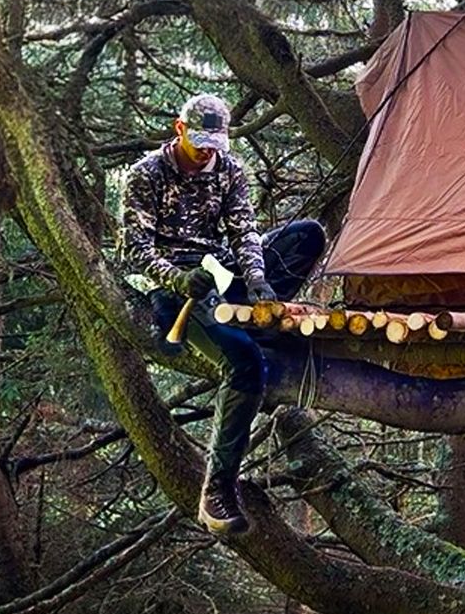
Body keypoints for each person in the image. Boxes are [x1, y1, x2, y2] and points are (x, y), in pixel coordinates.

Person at [119, 93, 326, 536]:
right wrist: (176, 278)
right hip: (175, 289)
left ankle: (256, 316)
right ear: (179, 130)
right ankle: (216, 491)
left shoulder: (229, 170)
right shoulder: (146, 175)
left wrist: (257, 280)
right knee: (244, 361)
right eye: (200, 143)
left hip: (221, 273)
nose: (207, 152)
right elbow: (133, 249)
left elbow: (244, 229)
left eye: (215, 143)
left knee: (306, 235)